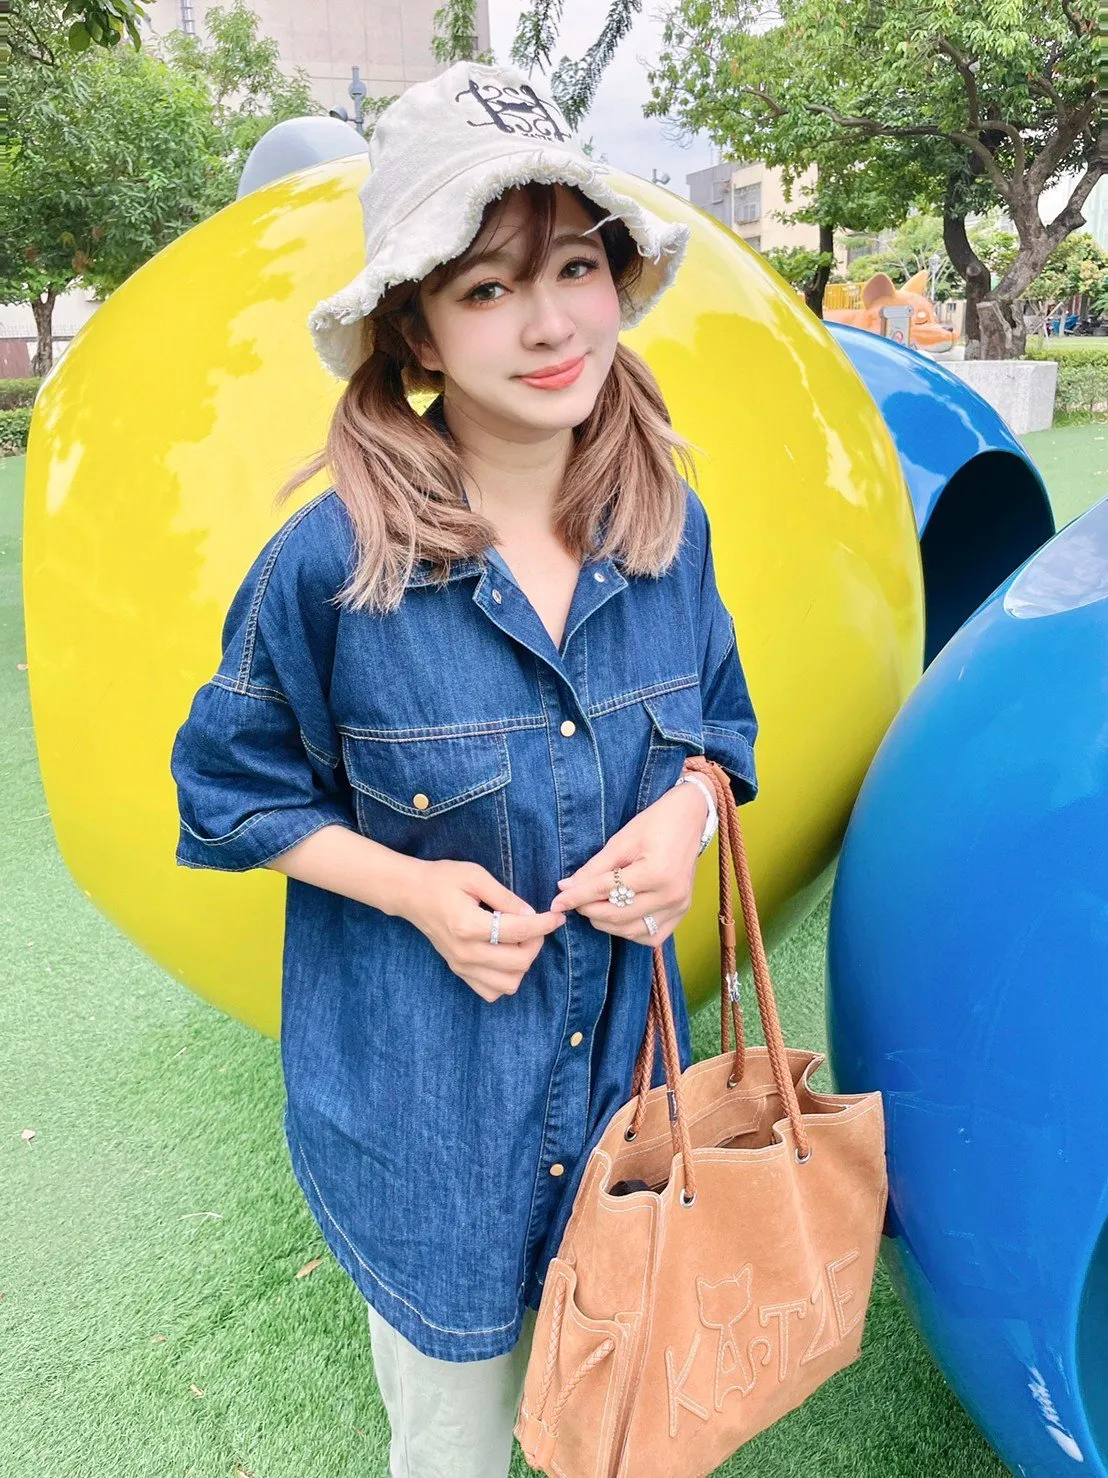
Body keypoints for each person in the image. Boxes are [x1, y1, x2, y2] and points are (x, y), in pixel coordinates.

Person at [170, 59, 759, 1478]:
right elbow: (229, 789)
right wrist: (412, 890)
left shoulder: (667, 530)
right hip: (432, 1134)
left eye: (574, 266)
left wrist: (686, 818)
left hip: (632, 1112)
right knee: (457, 1449)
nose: (550, 323)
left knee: (628, 1430)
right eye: (488, 286)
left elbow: (723, 735)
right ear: (415, 328)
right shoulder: (329, 567)